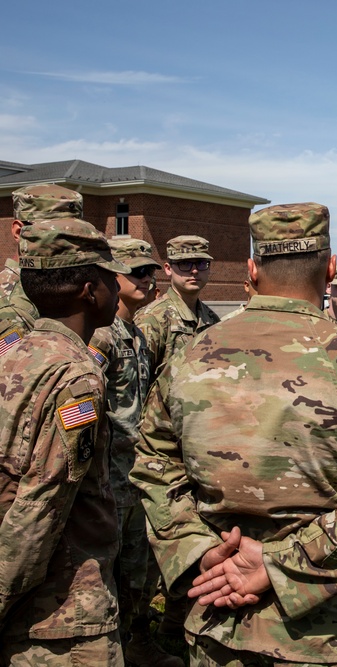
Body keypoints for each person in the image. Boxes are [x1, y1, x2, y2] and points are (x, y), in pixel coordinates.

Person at [131, 202, 337, 666]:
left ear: (251, 268)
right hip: (325, 635)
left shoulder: (192, 356)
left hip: (216, 615)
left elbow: (152, 465)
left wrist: (198, 549)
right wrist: (279, 564)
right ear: (330, 270)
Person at [0, 218, 129, 665]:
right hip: (63, 615)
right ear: (90, 291)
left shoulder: (15, 353)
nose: (120, 289)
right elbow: (43, 503)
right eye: (113, 278)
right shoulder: (76, 376)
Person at [89, 238, 183, 667]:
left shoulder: (138, 332)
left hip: (137, 471)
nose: (148, 279)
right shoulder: (101, 336)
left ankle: (136, 637)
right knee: (108, 567)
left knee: (138, 566)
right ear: (113, 277)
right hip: (110, 473)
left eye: (151, 271)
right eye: (137, 272)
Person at [0, 184, 84, 342]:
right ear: (19, 232)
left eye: (74, 234)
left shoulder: (75, 290)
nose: (67, 243)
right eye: (52, 233)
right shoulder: (7, 303)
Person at [135, 234, 220, 381]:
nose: (194, 271)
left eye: (201, 263)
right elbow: (139, 386)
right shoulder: (152, 319)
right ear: (168, 269)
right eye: (185, 264)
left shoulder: (212, 319)